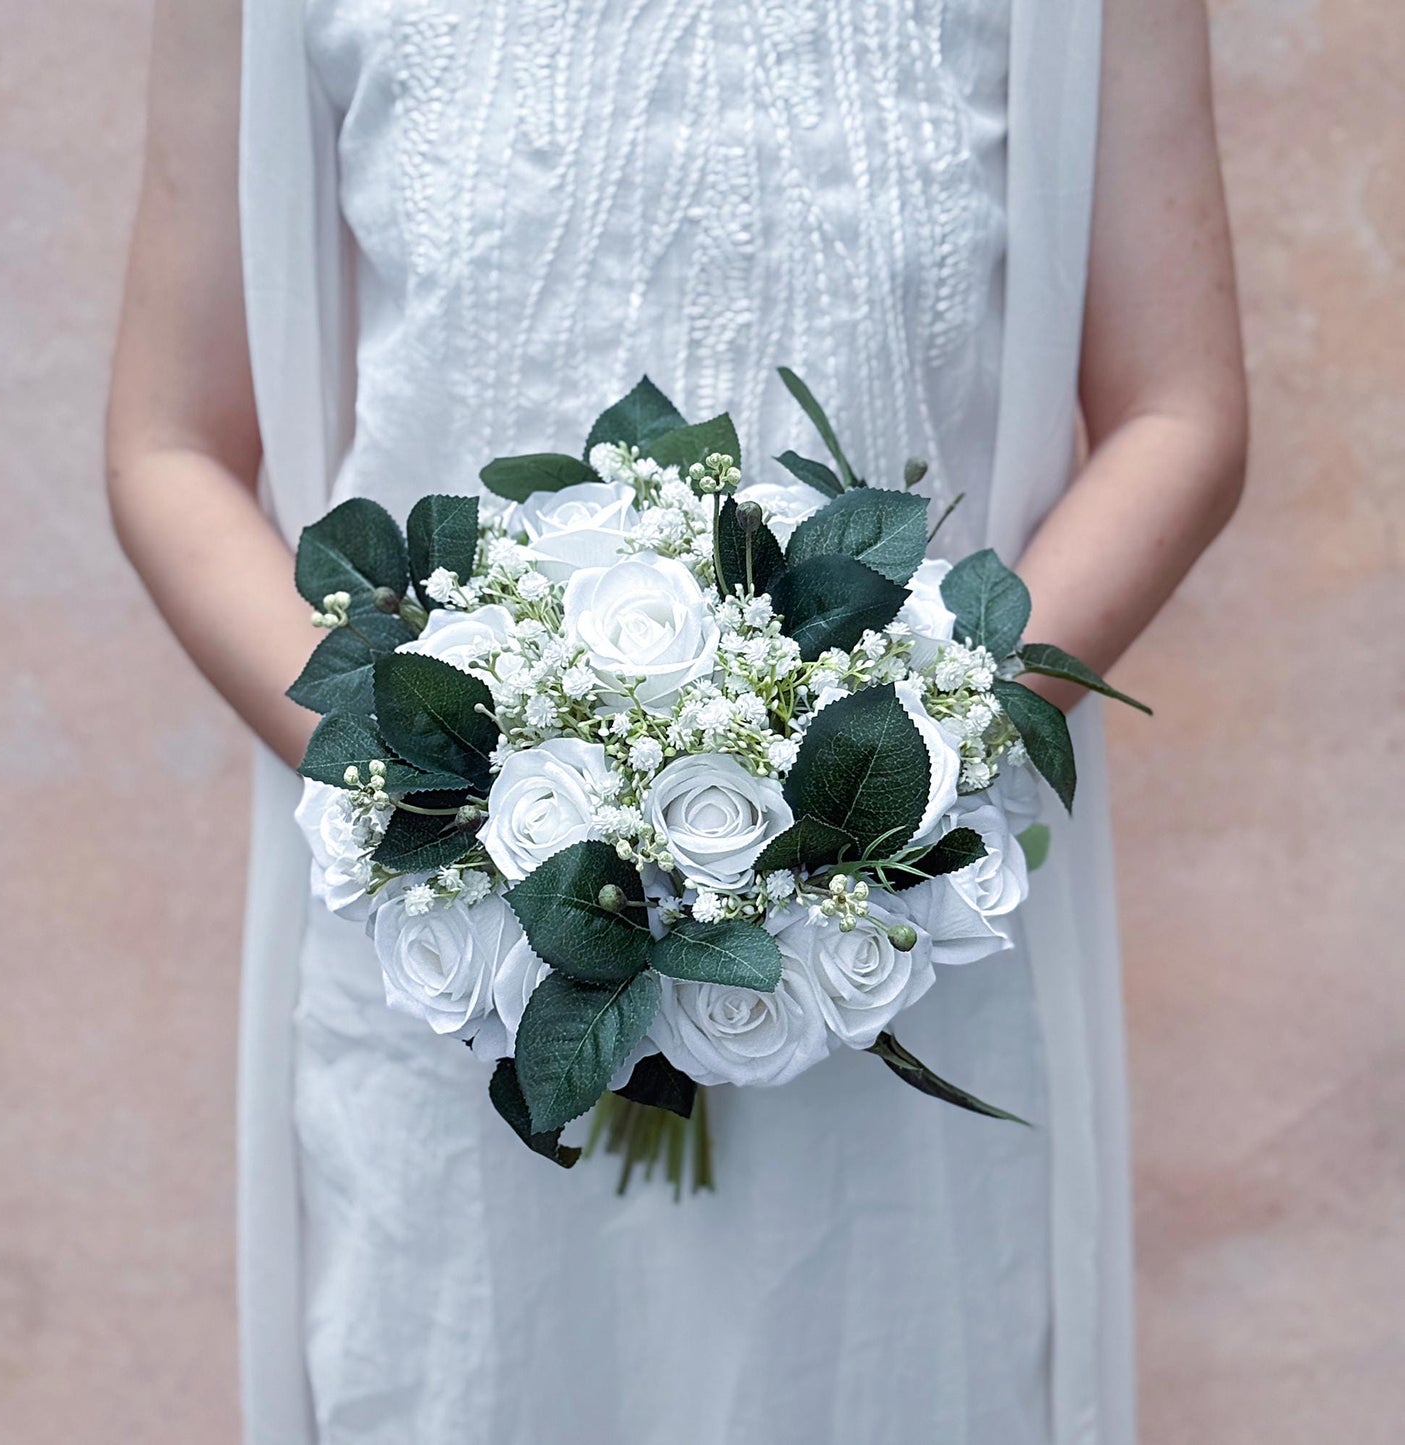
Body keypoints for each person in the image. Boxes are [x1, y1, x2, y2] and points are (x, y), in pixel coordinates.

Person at [107, 2, 1246, 1441]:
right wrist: (451, 802)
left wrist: (893, 787)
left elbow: (1178, 411)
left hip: (898, 971)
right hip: (451, 981)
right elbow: (168, 444)